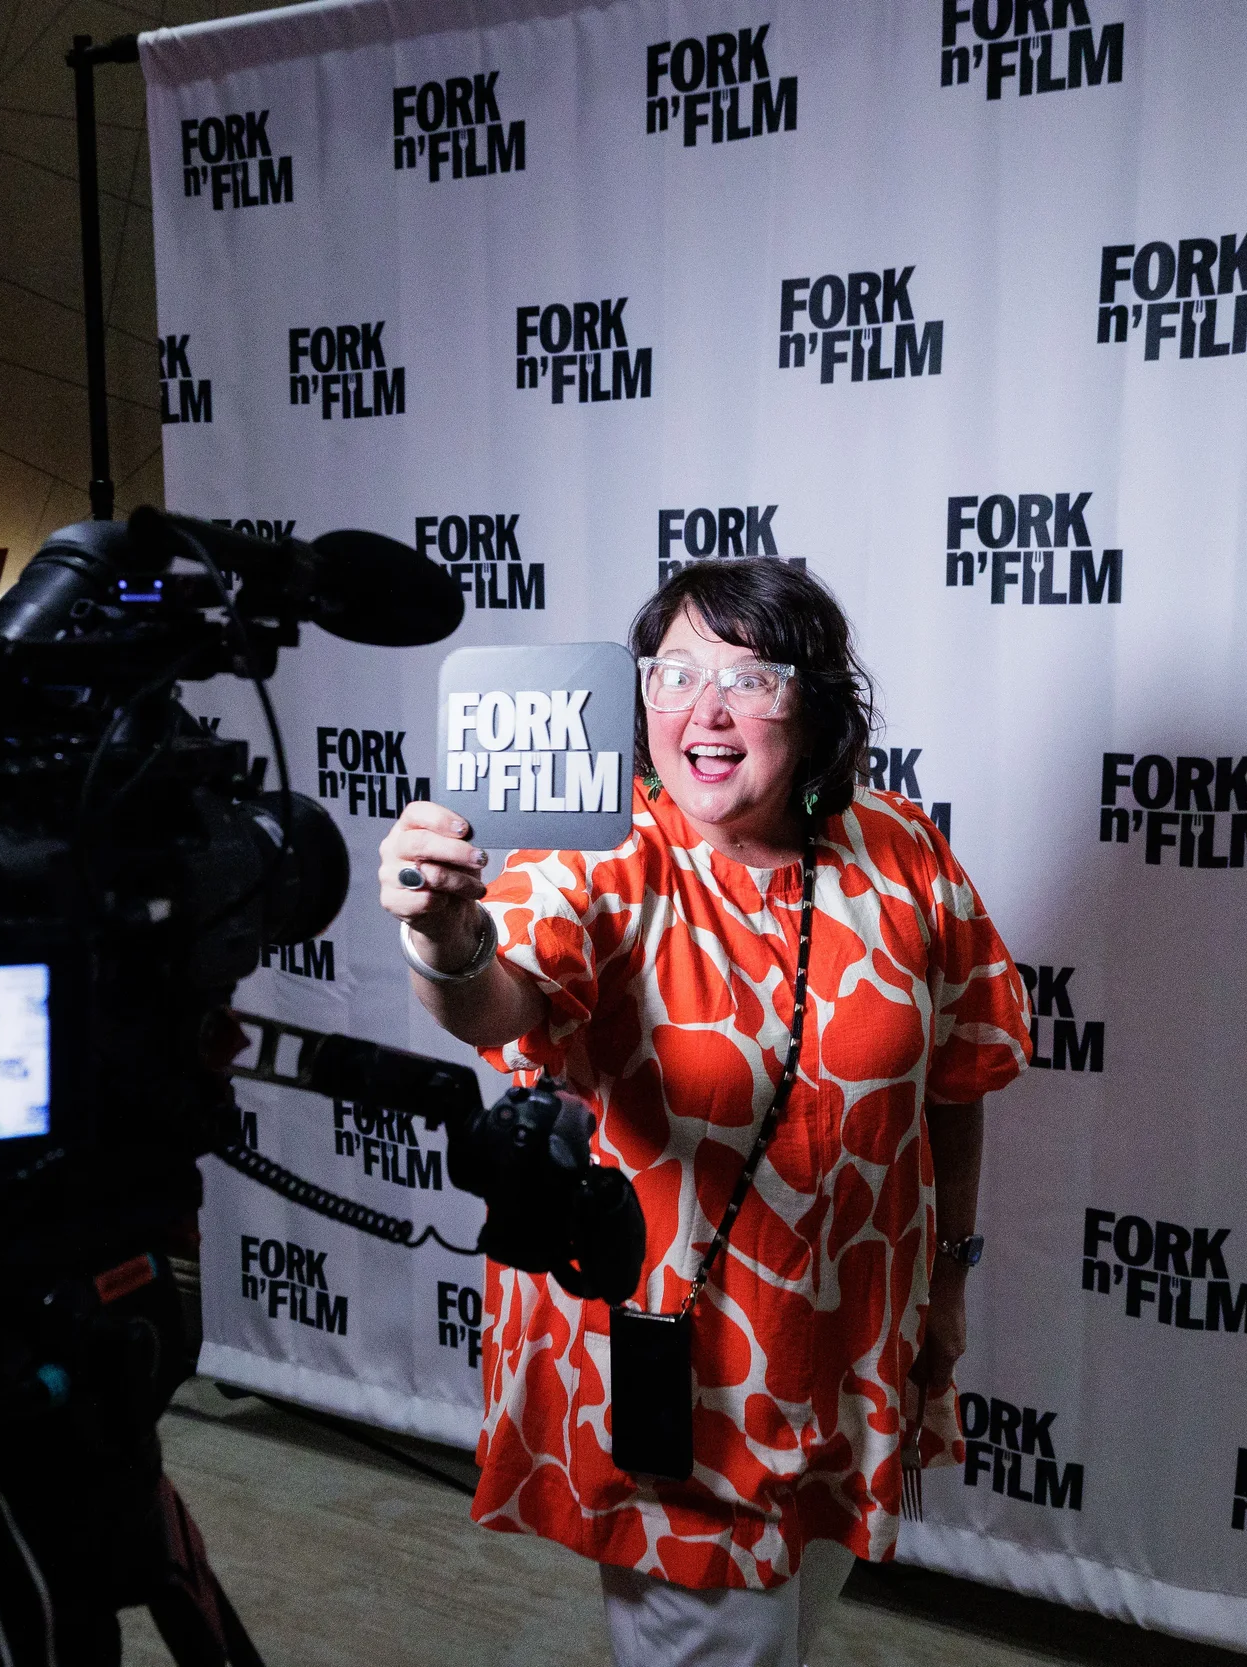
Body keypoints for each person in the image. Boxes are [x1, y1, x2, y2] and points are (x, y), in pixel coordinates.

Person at [379, 558, 1029, 1666]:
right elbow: (497, 992)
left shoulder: (901, 849)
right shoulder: (602, 858)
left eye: (748, 676)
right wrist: (441, 934)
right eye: (673, 672)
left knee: (780, 1632)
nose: (704, 709)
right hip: (680, 1374)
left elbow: (955, 1082)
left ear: (813, 701)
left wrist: (948, 1286)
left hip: (849, 1348)